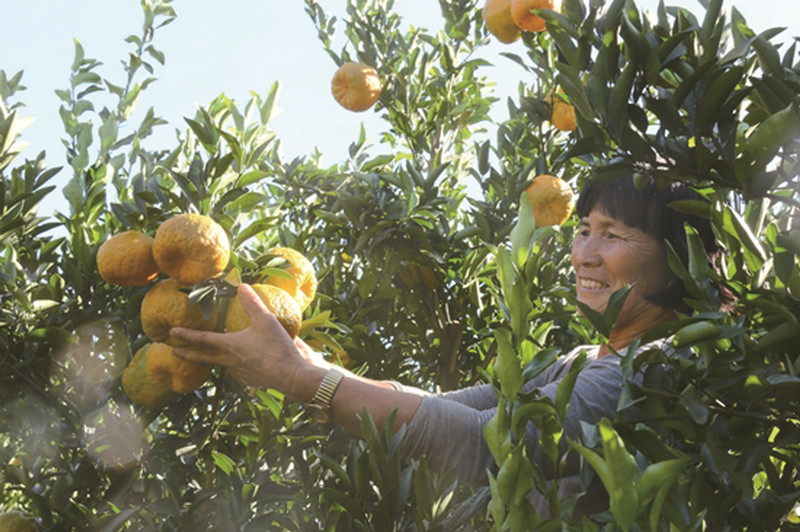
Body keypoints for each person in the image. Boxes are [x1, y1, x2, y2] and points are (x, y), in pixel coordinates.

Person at [171, 175, 727, 519]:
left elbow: (493, 444)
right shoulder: (581, 361)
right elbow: (454, 406)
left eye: (614, 234)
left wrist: (301, 380)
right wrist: (306, 364)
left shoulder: (659, 367)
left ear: (680, 260)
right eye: (584, 228)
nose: (583, 252)